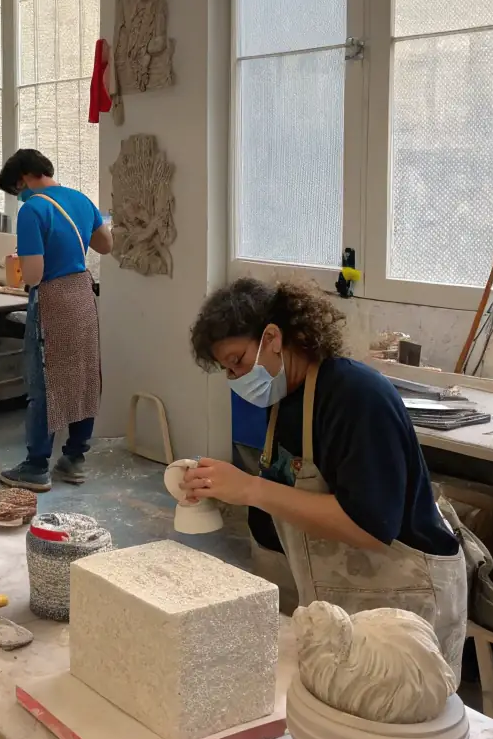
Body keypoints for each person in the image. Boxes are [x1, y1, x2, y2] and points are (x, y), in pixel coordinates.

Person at [183, 277, 468, 680]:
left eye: (238, 361)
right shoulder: (285, 400)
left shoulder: (356, 397)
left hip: (407, 600)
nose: (236, 378)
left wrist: (250, 488)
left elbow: (370, 526)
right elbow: (284, 508)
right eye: (228, 370)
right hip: (342, 597)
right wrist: (220, 491)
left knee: (394, 725)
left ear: (273, 337)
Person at [0, 149, 113, 492]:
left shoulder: (33, 209)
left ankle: (35, 466)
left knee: (44, 381)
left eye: (16, 192)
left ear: (22, 180)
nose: (19, 198)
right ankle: (74, 459)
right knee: (84, 376)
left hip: (53, 299)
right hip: (82, 295)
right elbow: (106, 245)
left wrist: (21, 265)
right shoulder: (80, 199)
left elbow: (34, 273)